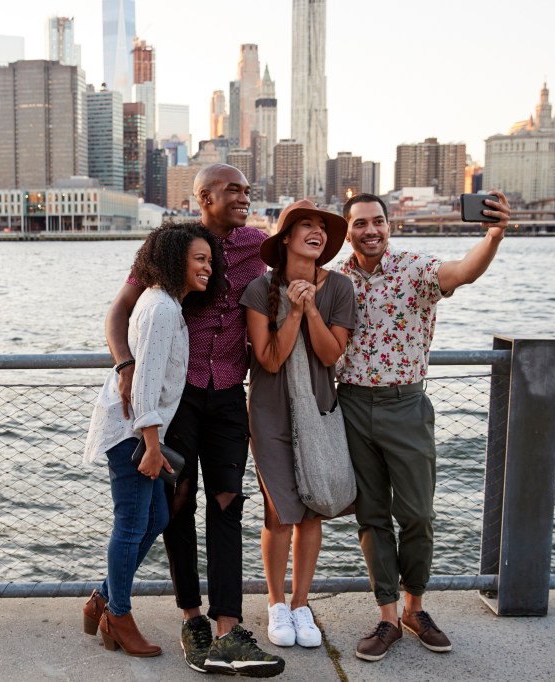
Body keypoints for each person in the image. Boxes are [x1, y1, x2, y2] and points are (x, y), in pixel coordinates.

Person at [104, 164, 285, 677]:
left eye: (248, 189)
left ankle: (229, 629)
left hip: (229, 394)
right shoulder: (171, 244)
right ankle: (192, 618)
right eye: (232, 190)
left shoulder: (257, 243)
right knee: (176, 505)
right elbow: (118, 311)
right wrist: (125, 364)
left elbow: (305, 250)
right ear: (202, 197)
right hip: (178, 398)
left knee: (228, 503)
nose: (244, 196)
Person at [335, 191, 511, 662]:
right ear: (347, 229)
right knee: (372, 516)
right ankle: (388, 617)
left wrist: (493, 236)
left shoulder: (416, 268)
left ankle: (416, 608)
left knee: (417, 514)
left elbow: (463, 272)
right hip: (349, 403)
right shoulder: (336, 279)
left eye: (378, 222)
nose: (370, 231)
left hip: (406, 404)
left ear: (389, 226)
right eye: (360, 224)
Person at [82, 223, 225, 657]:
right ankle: (118, 616)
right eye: (199, 259)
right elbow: (142, 384)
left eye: (210, 260)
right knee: (131, 522)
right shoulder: (161, 309)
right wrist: (150, 445)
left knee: (158, 514)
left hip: (141, 430)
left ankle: (103, 598)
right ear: (173, 259)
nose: (208, 267)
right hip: (133, 432)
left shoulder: (166, 305)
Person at [239, 199, 356, 649]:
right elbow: (268, 360)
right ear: (285, 238)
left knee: (313, 508)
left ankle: (301, 603)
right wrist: (290, 310)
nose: (316, 232)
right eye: (305, 225)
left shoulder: (339, 288)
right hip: (269, 414)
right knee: (279, 511)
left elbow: (330, 355)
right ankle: (275, 604)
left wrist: (310, 310)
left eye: (322, 228)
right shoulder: (257, 290)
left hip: (321, 411)